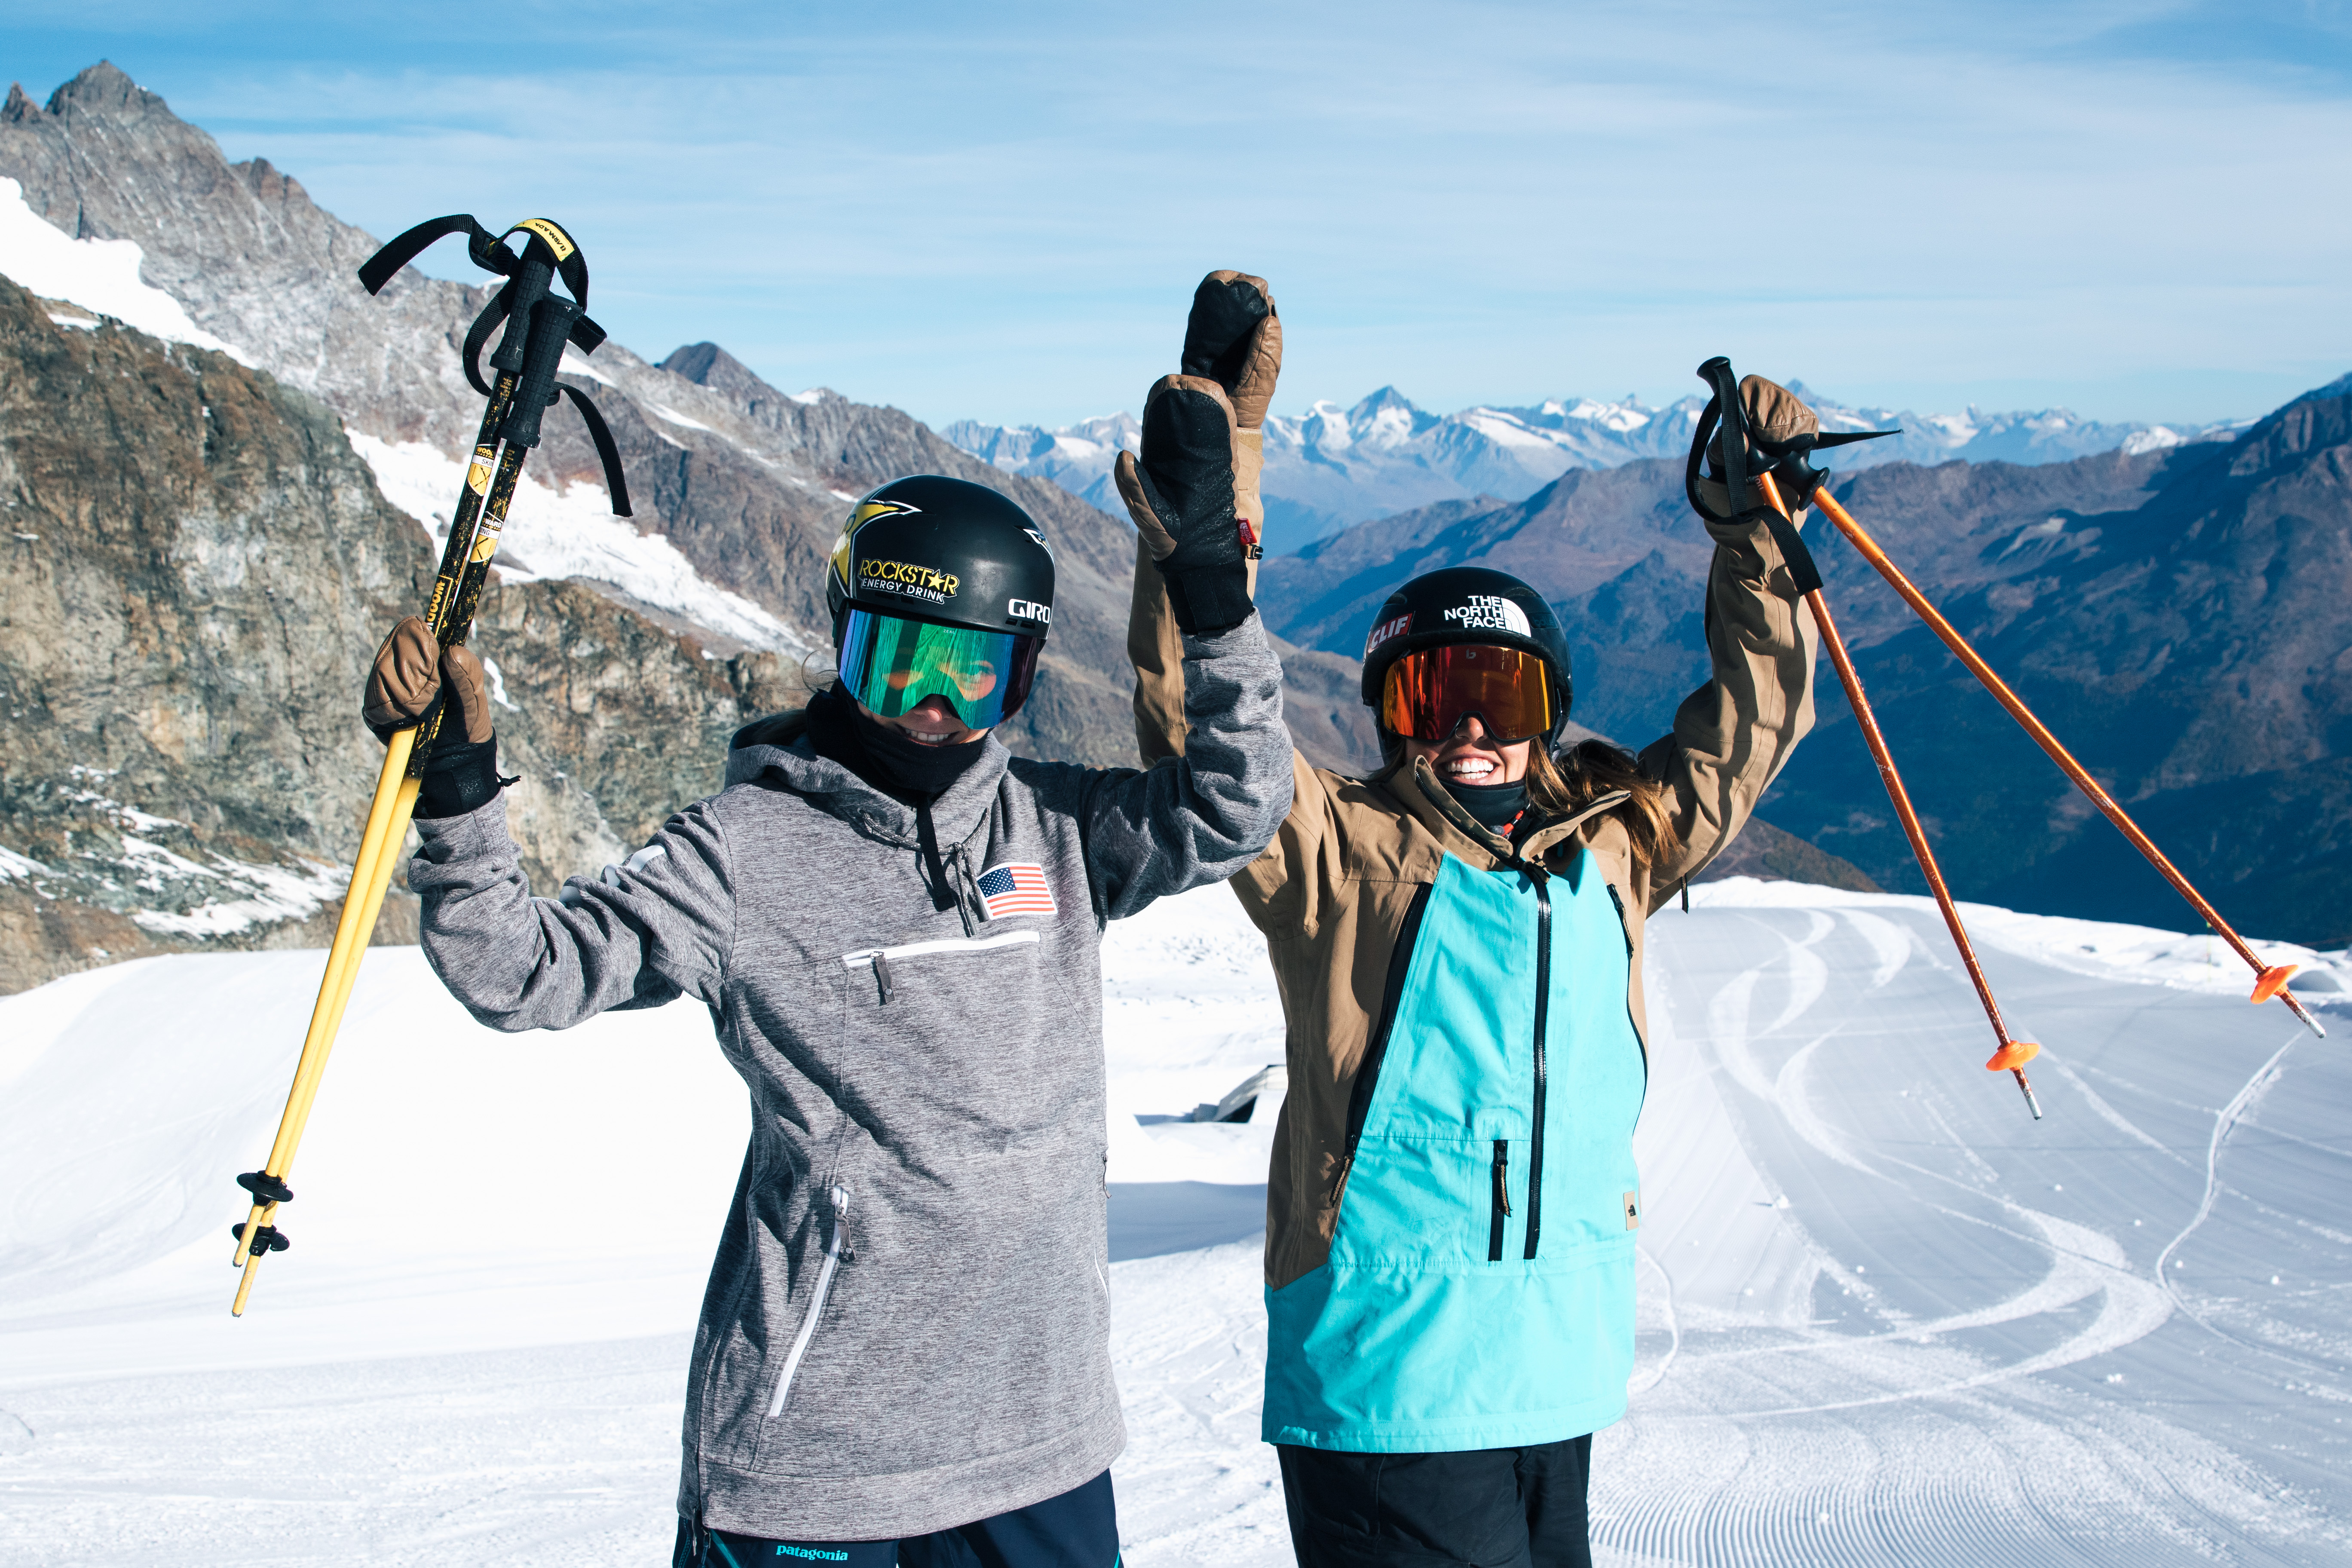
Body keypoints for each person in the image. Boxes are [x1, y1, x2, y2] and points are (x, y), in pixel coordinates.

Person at [362, 276, 1294, 1568]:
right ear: (842, 643)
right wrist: (457, 784)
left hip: (1045, 1443)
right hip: (812, 1472)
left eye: (969, 671)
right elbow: (520, 972)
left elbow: (1242, 806)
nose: (927, 703)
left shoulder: (1060, 831)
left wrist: (1211, 592)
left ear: (1021, 679)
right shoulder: (745, 855)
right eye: (894, 658)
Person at [1124, 376, 1824, 1567]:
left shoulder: (1615, 842)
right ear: (1395, 718)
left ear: (1546, 706)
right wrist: (1206, 524)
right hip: (1389, 1375)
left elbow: (1747, 728)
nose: (1470, 726)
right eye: (1430, 695)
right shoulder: (1342, 855)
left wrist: (1760, 530)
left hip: (1560, 1366)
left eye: (1501, 692)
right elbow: (1207, 736)